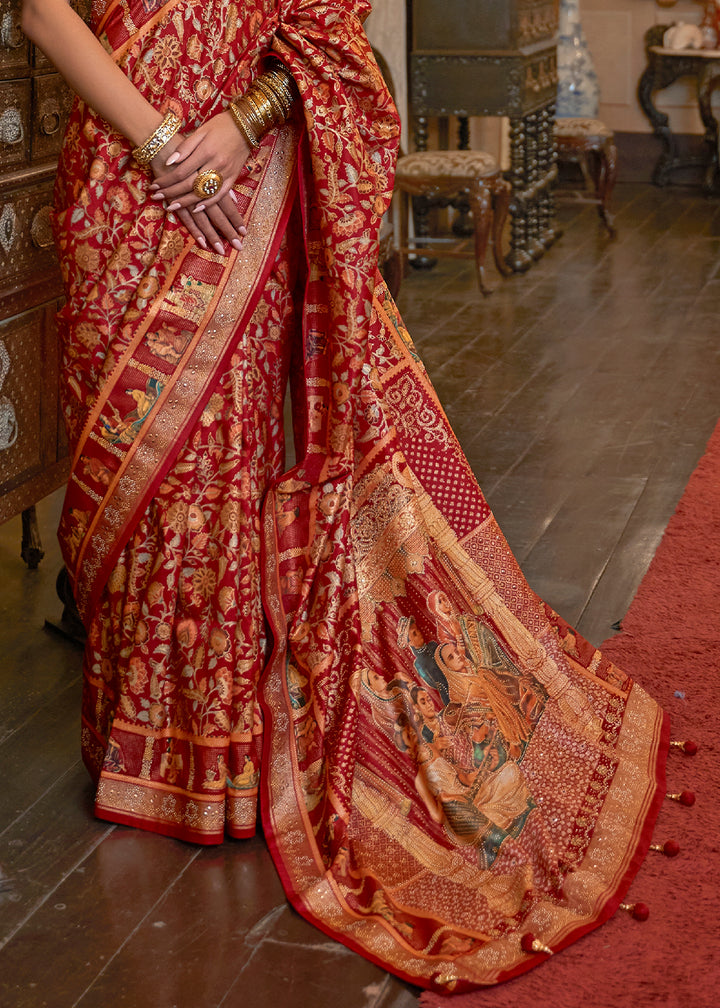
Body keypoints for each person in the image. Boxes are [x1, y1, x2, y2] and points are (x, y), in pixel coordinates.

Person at [21, 0, 670, 993]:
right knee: (131, 470)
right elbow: (40, 11)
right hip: (121, 186)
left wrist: (237, 126)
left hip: (242, 179)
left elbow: (327, 36)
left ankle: (219, 759)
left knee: (223, 465)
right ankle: (142, 747)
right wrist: (163, 146)